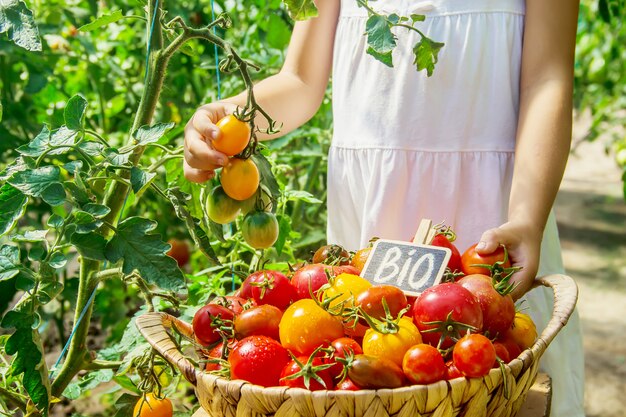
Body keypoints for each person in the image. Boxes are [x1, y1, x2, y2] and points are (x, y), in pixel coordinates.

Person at [183, 0, 585, 415]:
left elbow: (547, 79)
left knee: (496, 381)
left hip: (497, 213)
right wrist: (228, 119)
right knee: (369, 377)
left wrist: (527, 217)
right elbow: (300, 80)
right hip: (371, 211)